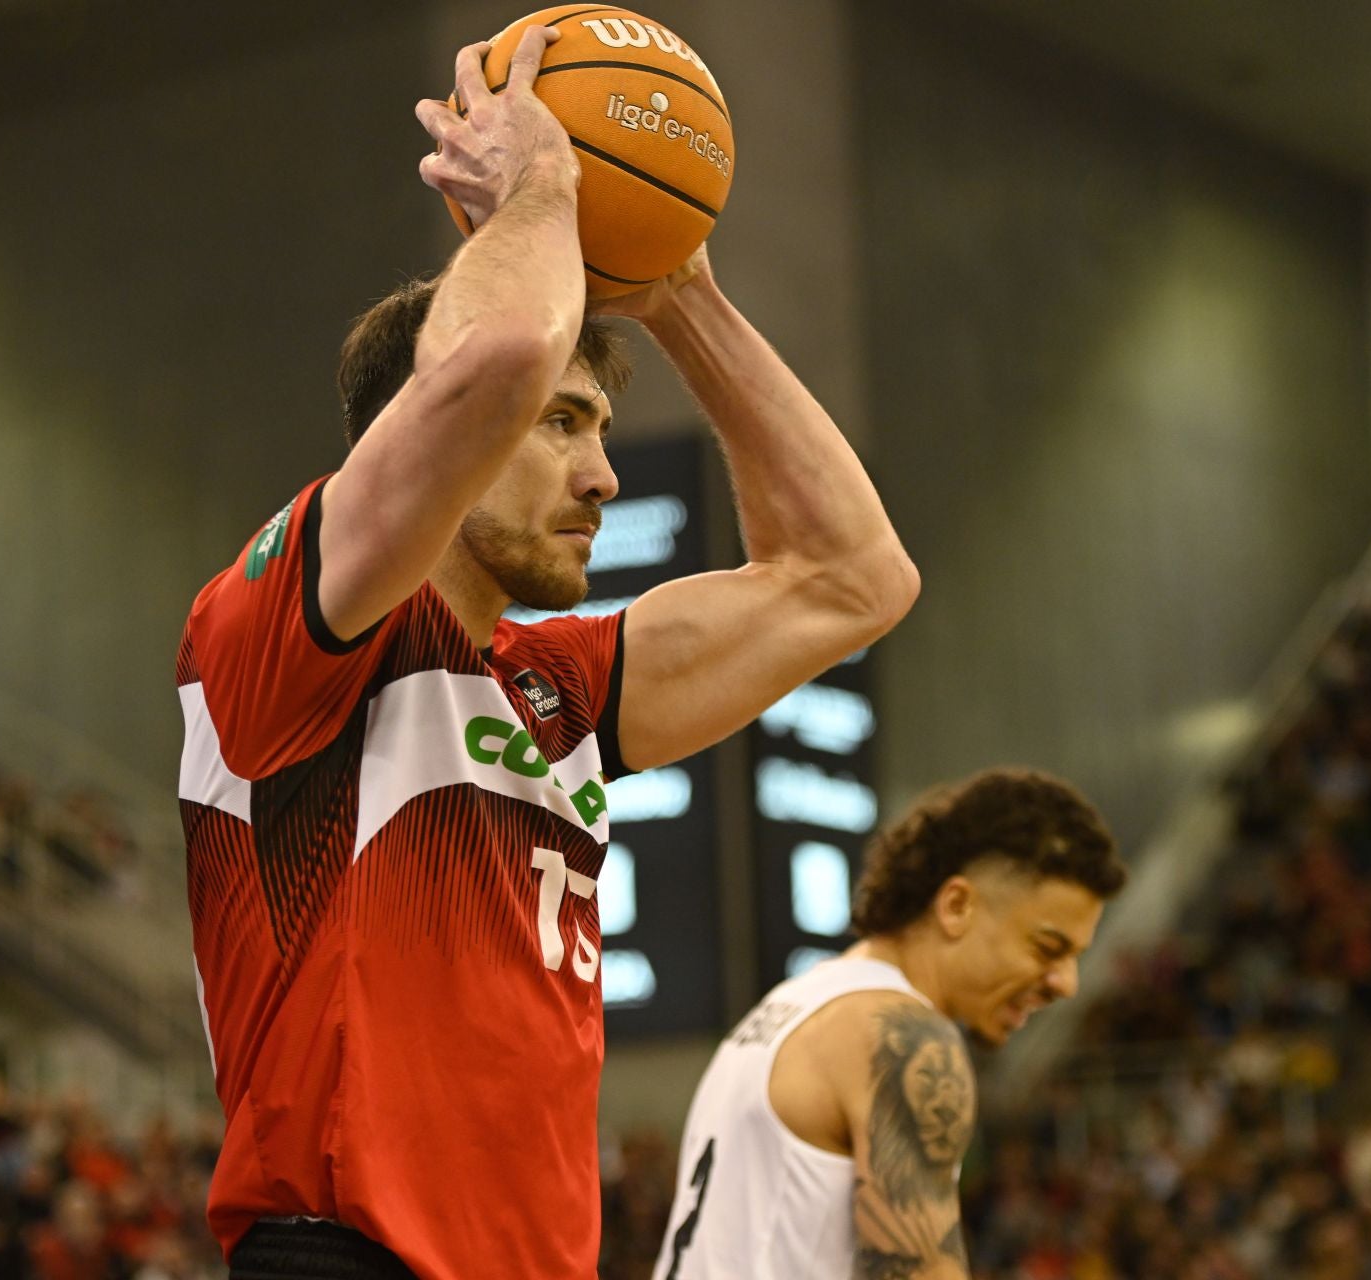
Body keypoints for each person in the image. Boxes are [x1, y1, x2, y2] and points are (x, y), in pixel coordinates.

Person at [176, 25, 919, 1280]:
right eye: (564, 426)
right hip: (342, 1254)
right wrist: (541, 189)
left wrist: (684, 290)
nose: (604, 472)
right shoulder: (283, 634)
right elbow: (500, 356)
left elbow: (854, 577)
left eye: (602, 426)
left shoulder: (557, 688)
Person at [651, 768, 1128, 1280]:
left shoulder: (791, 1005)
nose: (1066, 983)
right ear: (956, 905)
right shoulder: (906, 1037)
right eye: (1048, 948)